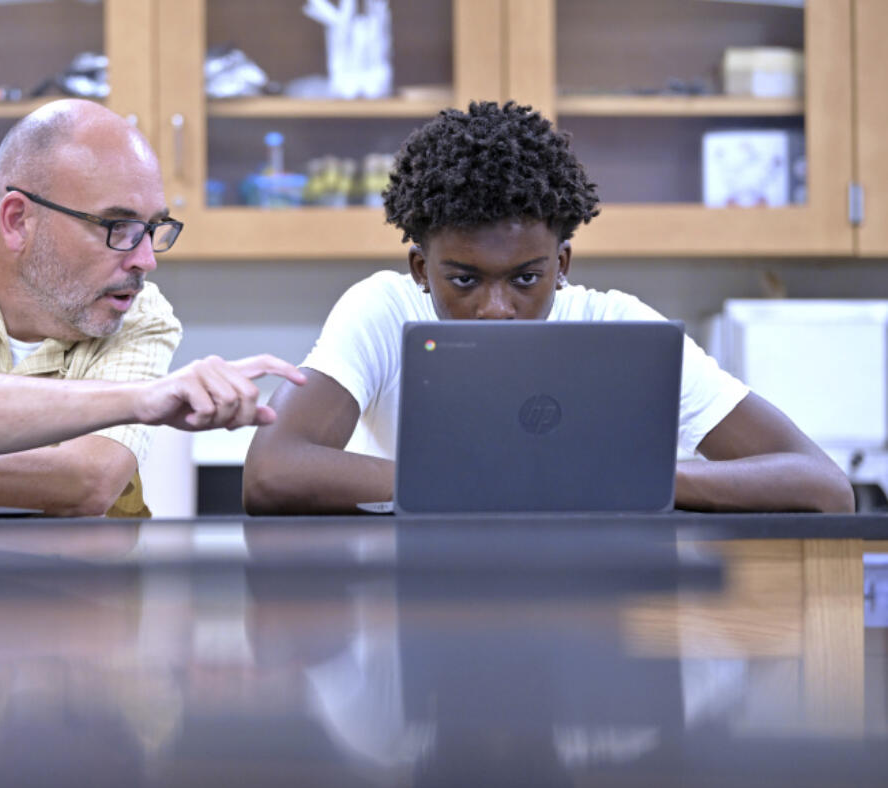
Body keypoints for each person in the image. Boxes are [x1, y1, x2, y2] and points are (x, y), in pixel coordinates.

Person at [243, 100, 854, 515]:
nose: (496, 309)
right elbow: (272, 472)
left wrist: (628, 484)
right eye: (463, 281)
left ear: (562, 265)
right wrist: (512, 483)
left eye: (526, 278)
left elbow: (824, 487)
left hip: (587, 615)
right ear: (421, 270)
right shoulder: (380, 311)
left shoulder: (617, 330)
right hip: (423, 604)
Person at [0, 99, 304, 517]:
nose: (147, 260)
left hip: (69, 606)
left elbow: (87, 481)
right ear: (17, 220)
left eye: (153, 228)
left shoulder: (141, 314)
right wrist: (141, 399)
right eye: (117, 226)